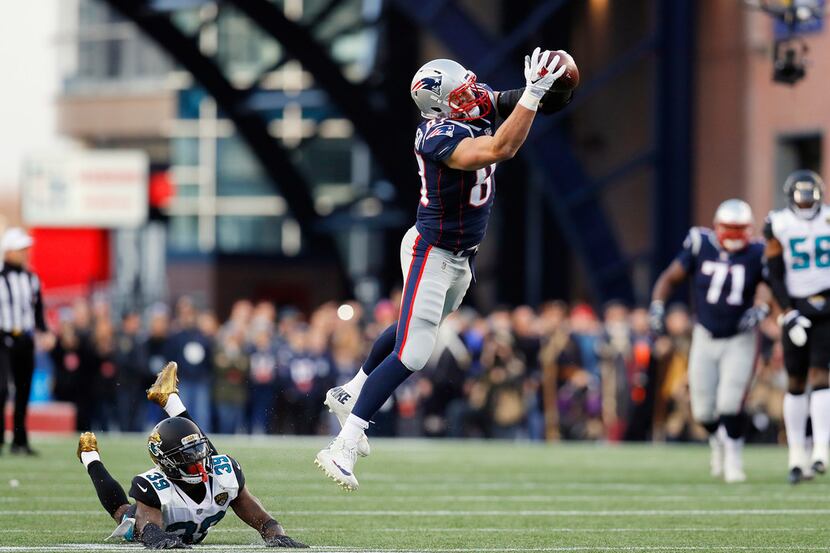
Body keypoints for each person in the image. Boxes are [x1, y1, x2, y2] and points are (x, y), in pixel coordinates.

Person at [315, 49, 574, 490]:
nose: (475, 94)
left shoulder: (469, 103)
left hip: (460, 256)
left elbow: (540, 102)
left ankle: (352, 389)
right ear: (442, 105)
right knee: (415, 352)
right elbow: (500, 147)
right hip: (430, 253)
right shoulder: (436, 136)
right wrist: (532, 93)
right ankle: (344, 442)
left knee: (414, 325)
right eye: (462, 93)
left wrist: (552, 82)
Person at [76, 362, 307, 548]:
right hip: (149, 520)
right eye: (187, 455)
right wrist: (156, 537)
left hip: (190, 513)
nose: (198, 458)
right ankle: (89, 456)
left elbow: (263, 519)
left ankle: (170, 399)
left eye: (198, 450)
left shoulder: (224, 473)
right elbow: (149, 530)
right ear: (167, 462)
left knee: (211, 463)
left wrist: (275, 534)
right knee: (124, 513)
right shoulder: (153, 487)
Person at [649, 199, 769, 482]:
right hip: (704, 334)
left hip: (740, 337)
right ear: (717, 227)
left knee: (730, 403)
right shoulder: (700, 244)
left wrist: (760, 307)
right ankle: (719, 441)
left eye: (740, 229)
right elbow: (669, 278)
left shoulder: (757, 252)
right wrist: (657, 306)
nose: (735, 235)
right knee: (702, 410)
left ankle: (734, 458)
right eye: (730, 228)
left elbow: (768, 285)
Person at [764, 170, 830, 484]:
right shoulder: (777, 223)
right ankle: (796, 455)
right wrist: (787, 311)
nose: (805, 201)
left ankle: (820, 449)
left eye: (810, 194)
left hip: (827, 304)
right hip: (796, 305)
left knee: (821, 374)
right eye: (800, 195)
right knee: (795, 379)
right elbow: (774, 273)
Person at [0, 227, 47, 455]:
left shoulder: (31, 278)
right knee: (1, 390)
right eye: (21, 249)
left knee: (23, 391)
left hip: (25, 340)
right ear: (8, 251)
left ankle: (20, 440)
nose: (26, 253)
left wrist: (44, 331)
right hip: (2, 339)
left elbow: (37, 310)